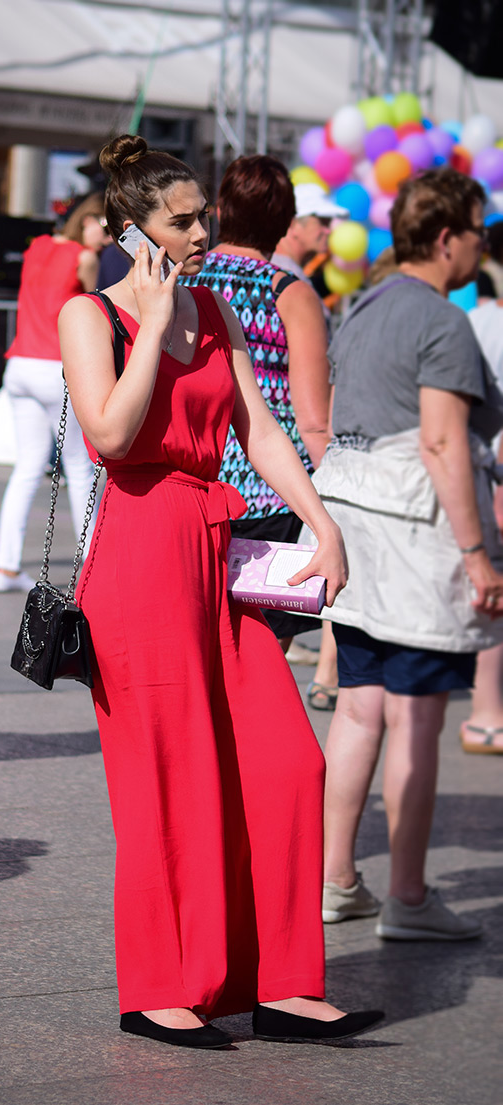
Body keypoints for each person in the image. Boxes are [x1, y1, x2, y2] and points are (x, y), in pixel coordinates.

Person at [58, 134, 382, 1049]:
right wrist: (154, 325)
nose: (202, 232)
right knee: (167, 779)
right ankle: (161, 986)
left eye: (203, 216)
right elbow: (114, 438)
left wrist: (321, 522)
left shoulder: (216, 307)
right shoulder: (94, 315)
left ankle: (282, 984)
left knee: (288, 762)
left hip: (217, 547)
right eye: (183, 219)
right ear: (132, 229)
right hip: (138, 551)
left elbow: (262, 429)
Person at [310, 169, 503, 939]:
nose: (482, 246)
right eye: (480, 232)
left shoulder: (364, 306)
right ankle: (410, 898)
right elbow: (441, 439)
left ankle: (335, 879)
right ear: (449, 237)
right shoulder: (440, 320)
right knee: (417, 721)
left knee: (357, 711)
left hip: (353, 533)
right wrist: (478, 554)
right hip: (415, 540)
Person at [182, 154, 331, 658]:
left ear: (220, 208)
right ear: (286, 222)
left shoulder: (184, 281)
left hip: (197, 479)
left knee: (202, 646)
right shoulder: (288, 292)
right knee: (261, 656)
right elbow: (312, 418)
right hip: (270, 493)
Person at [0, 194, 108, 593]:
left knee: (26, 468)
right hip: (54, 366)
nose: (107, 239)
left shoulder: (37, 247)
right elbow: (95, 310)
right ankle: (93, 562)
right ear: (87, 221)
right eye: (104, 228)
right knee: (79, 467)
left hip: (20, 364)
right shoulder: (84, 257)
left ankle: (5, 567)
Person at [270, 180, 350, 709]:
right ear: (293, 223)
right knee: (270, 620)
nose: (328, 231)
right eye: (320, 220)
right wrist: (329, 471)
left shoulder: (283, 277)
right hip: (278, 467)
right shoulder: (288, 283)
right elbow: (311, 403)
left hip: (251, 462)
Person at [459, 288, 503, 753]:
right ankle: (488, 714)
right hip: (492, 469)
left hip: (479, 470)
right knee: (494, 586)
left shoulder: (473, 319)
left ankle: (485, 710)